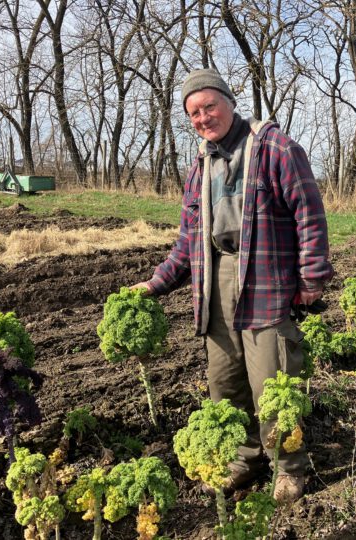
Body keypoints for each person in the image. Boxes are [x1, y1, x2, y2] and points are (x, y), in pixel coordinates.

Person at [133, 68, 333, 503]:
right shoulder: (200, 164)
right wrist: (157, 283)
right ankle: (246, 458)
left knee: (274, 382)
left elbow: (309, 212)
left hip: (265, 278)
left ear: (229, 101)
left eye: (209, 106)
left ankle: (288, 466)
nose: (203, 117)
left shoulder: (273, 147)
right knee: (225, 382)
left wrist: (312, 276)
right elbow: (188, 239)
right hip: (213, 279)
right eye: (194, 113)